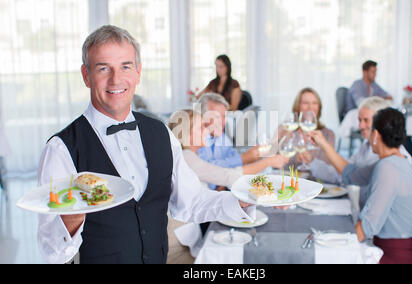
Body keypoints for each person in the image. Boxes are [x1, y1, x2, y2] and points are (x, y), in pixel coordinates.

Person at [36, 25, 255, 264]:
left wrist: (241, 200)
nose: (116, 79)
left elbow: (191, 202)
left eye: (125, 66)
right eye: (103, 68)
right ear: (86, 75)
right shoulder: (61, 148)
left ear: (138, 72)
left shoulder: (161, 133)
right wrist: (71, 219)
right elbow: (53, 252)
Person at [308, 97, 412, 208]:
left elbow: (349, 174)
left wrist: (324, 144)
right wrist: (312, 162)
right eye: (359, 120)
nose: (360, 126)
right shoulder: (366, 146)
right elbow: (344, 173)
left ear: (381, 122)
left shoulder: (394, 160)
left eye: (366, 120)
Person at [351, 108, 412, 264]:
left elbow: (367, 227)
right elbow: (352, 174)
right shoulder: (399, 161)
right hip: (399, 251)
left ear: (375, 135)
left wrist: (335, 240)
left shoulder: (387, 168)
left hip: (393, 257)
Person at [168, 109, 289, 189]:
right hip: (188, 225)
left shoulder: (191, 155)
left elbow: (221, 174)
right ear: (185, 135)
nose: (207, 131)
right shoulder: (187, 157)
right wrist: (268, 162)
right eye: (201, 128)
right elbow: (229, 176)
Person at [196, 93, 260, 190]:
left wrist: (253, 157)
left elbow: (233, 158)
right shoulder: (196, 140)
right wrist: (243, 158)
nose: (223, 122)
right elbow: (207, 170)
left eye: (224, 116)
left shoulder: (222, 137)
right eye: (217, 117)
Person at [278, 88, 335, 168]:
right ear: (297, 106)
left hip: (315, 180)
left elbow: (328, 167)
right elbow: (275, 164)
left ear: (319, 107)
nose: (310, 107)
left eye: (314, 103)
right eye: (305, 103)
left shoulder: (328, 134)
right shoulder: (286, 129)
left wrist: (310, 160)